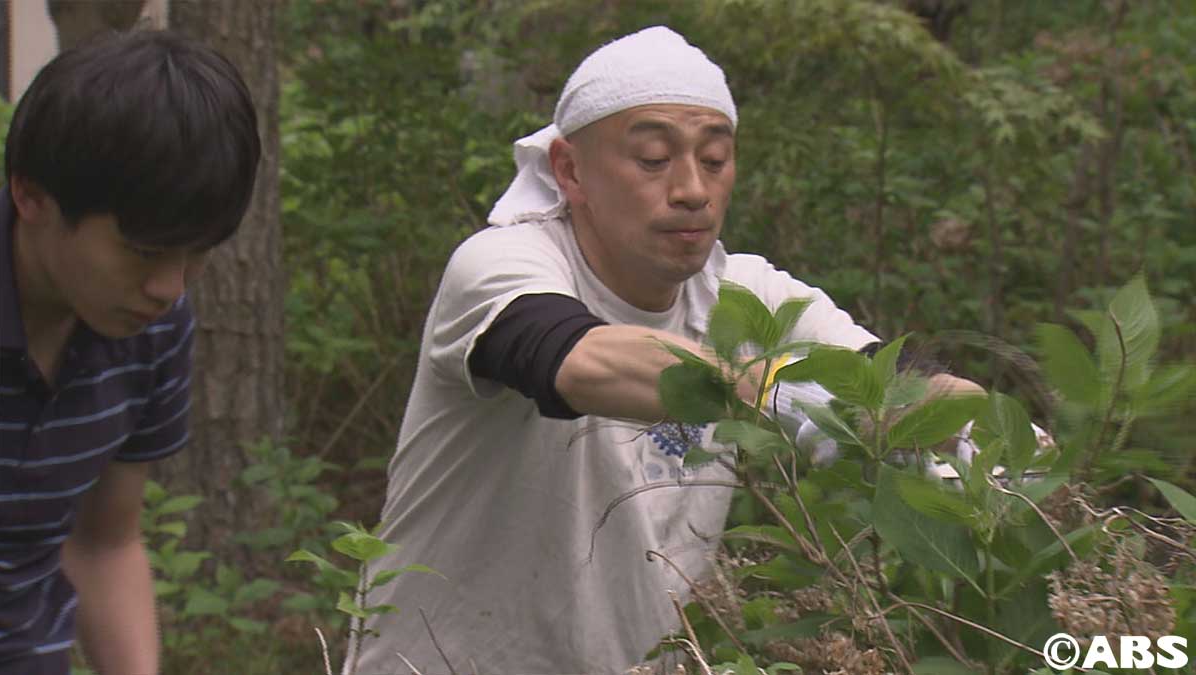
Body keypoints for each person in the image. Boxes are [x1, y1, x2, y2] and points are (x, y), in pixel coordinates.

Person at [353, 25, 955, 675]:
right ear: (569, 169)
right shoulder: (503, 264)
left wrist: (970, 438)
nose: (693, 189)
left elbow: (924, 387)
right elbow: (577, 359)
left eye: (715, 160)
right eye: (652, 159)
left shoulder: (747, 293)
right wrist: (776, 390)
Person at [0, 31, 260, 675]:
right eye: (143, 251)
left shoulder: (152, 329)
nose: (170, 288)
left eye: (197, 252)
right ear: (32, 196)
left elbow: (103, 542)